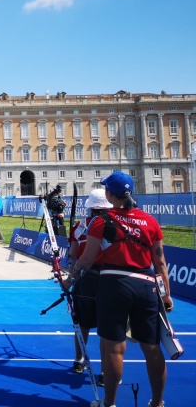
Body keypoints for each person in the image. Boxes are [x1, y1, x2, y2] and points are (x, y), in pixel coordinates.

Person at [65, 172, 171, 407]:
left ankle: (109, 403)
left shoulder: (101, 221)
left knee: (113, 347)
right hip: (146, 285)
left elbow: (86, 260)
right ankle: (157, 403)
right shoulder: (150, 221)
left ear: (110, 194)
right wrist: (166, 294)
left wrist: (69, 280)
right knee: (152, 347)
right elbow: (160, 263)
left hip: (114, 285)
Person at [67, 189, 112, 386]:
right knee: (108, 328)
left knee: (82, 323)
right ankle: (105, 371)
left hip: (86, 278)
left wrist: (70, 277)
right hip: (111, 280)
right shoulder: (116, 225)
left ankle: (79, 361)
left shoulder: (79, 226)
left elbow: (73, 256)